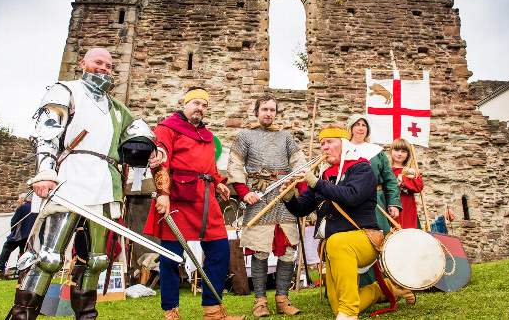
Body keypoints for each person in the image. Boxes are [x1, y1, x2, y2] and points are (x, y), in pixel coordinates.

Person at [7, 47, 162, 319]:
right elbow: (47, 134)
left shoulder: (116, 108)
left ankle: (86, 315)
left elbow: (141, 135)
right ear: (83, 63)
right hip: (70, 178)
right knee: (48, 257)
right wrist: (45, 171)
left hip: (105, 183)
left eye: (109, 65)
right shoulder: (65, 91)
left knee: (97, 260)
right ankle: (23, 314)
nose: (104, 68)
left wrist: (155, 150)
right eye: (98, 62)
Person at [281, 125, 415, 320]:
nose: (324, 147)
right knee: (337, 306)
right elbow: (300, 209)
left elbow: (351, 196)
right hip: (336, 246)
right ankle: (384, 289)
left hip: (365, 237)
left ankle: (350, 314)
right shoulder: (323, 176)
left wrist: (316, 183)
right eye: (322, 144)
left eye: (330, 142)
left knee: (337, 242)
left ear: (343, 144)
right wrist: (289, 196)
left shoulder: (361, 168)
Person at [143, 87, 244, 320]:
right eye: (195, 103)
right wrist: (162, 193)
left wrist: (218, 182)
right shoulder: (167, 128)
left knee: (219, 250)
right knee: (171, 257)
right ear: (185, 104)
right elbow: (160, 161)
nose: (200, 108)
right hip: (177, 196)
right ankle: (171, 311)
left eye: (204, 105)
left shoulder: (207, 136)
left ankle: (213, 311)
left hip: (205, 199)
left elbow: (208, 167)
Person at [227, 94, 306, 317]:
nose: (268, 113)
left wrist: (301, 191)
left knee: (288, 250)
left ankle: (282, 299)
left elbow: (300, 166)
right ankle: (260, 301)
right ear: (257, 112)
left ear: (276, 113)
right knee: (260, 251)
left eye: (272, 110)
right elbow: (235, 165)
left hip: (284, 199)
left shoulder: (286, 138)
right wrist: (244, 193)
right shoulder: (245, 136)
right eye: (264, 109)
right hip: (258, 197)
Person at [347, 114, 401, 233]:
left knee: (379, 236)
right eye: (357, 125)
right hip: (349, 199)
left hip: (376, 200)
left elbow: (390, 179)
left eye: (364, 125)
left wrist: (393, 203)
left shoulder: (376, 151)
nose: (361, 128)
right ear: (350, 128)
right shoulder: (343, 149)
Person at [0, 192, 37, 278]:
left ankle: (0, 268)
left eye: (19, 198)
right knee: (23, 253)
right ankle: (21, 271)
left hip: (19, 234)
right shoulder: (36, 208)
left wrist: (13, 232)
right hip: (29, 235)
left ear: (23, 199)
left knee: (7, 248)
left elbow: (14, 221)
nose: (18, 200)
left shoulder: (22, 207)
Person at [389, 138, 424, 229]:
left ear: (408, 154)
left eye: (403, 151)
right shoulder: (386, 170)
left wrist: (403, 180)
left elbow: (419, 186)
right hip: (390, 206)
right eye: (396, 150)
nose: (399, 154)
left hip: (407, 207)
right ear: (391, 151)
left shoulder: (410, 171)